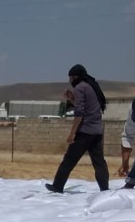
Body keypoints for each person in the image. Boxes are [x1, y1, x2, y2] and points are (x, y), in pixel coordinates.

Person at [45, 64, 109, 193]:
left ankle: (57, 186)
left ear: (75, 77)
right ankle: (105, 189)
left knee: (68, 161)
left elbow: (80, 112)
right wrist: (72, 99)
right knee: (99, 162)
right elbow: (89, 107)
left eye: (70, 77)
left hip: (85, 131)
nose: (69, 80)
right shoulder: (91, 86)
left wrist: (72, 133)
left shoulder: (80, 88)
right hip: (97, 131)